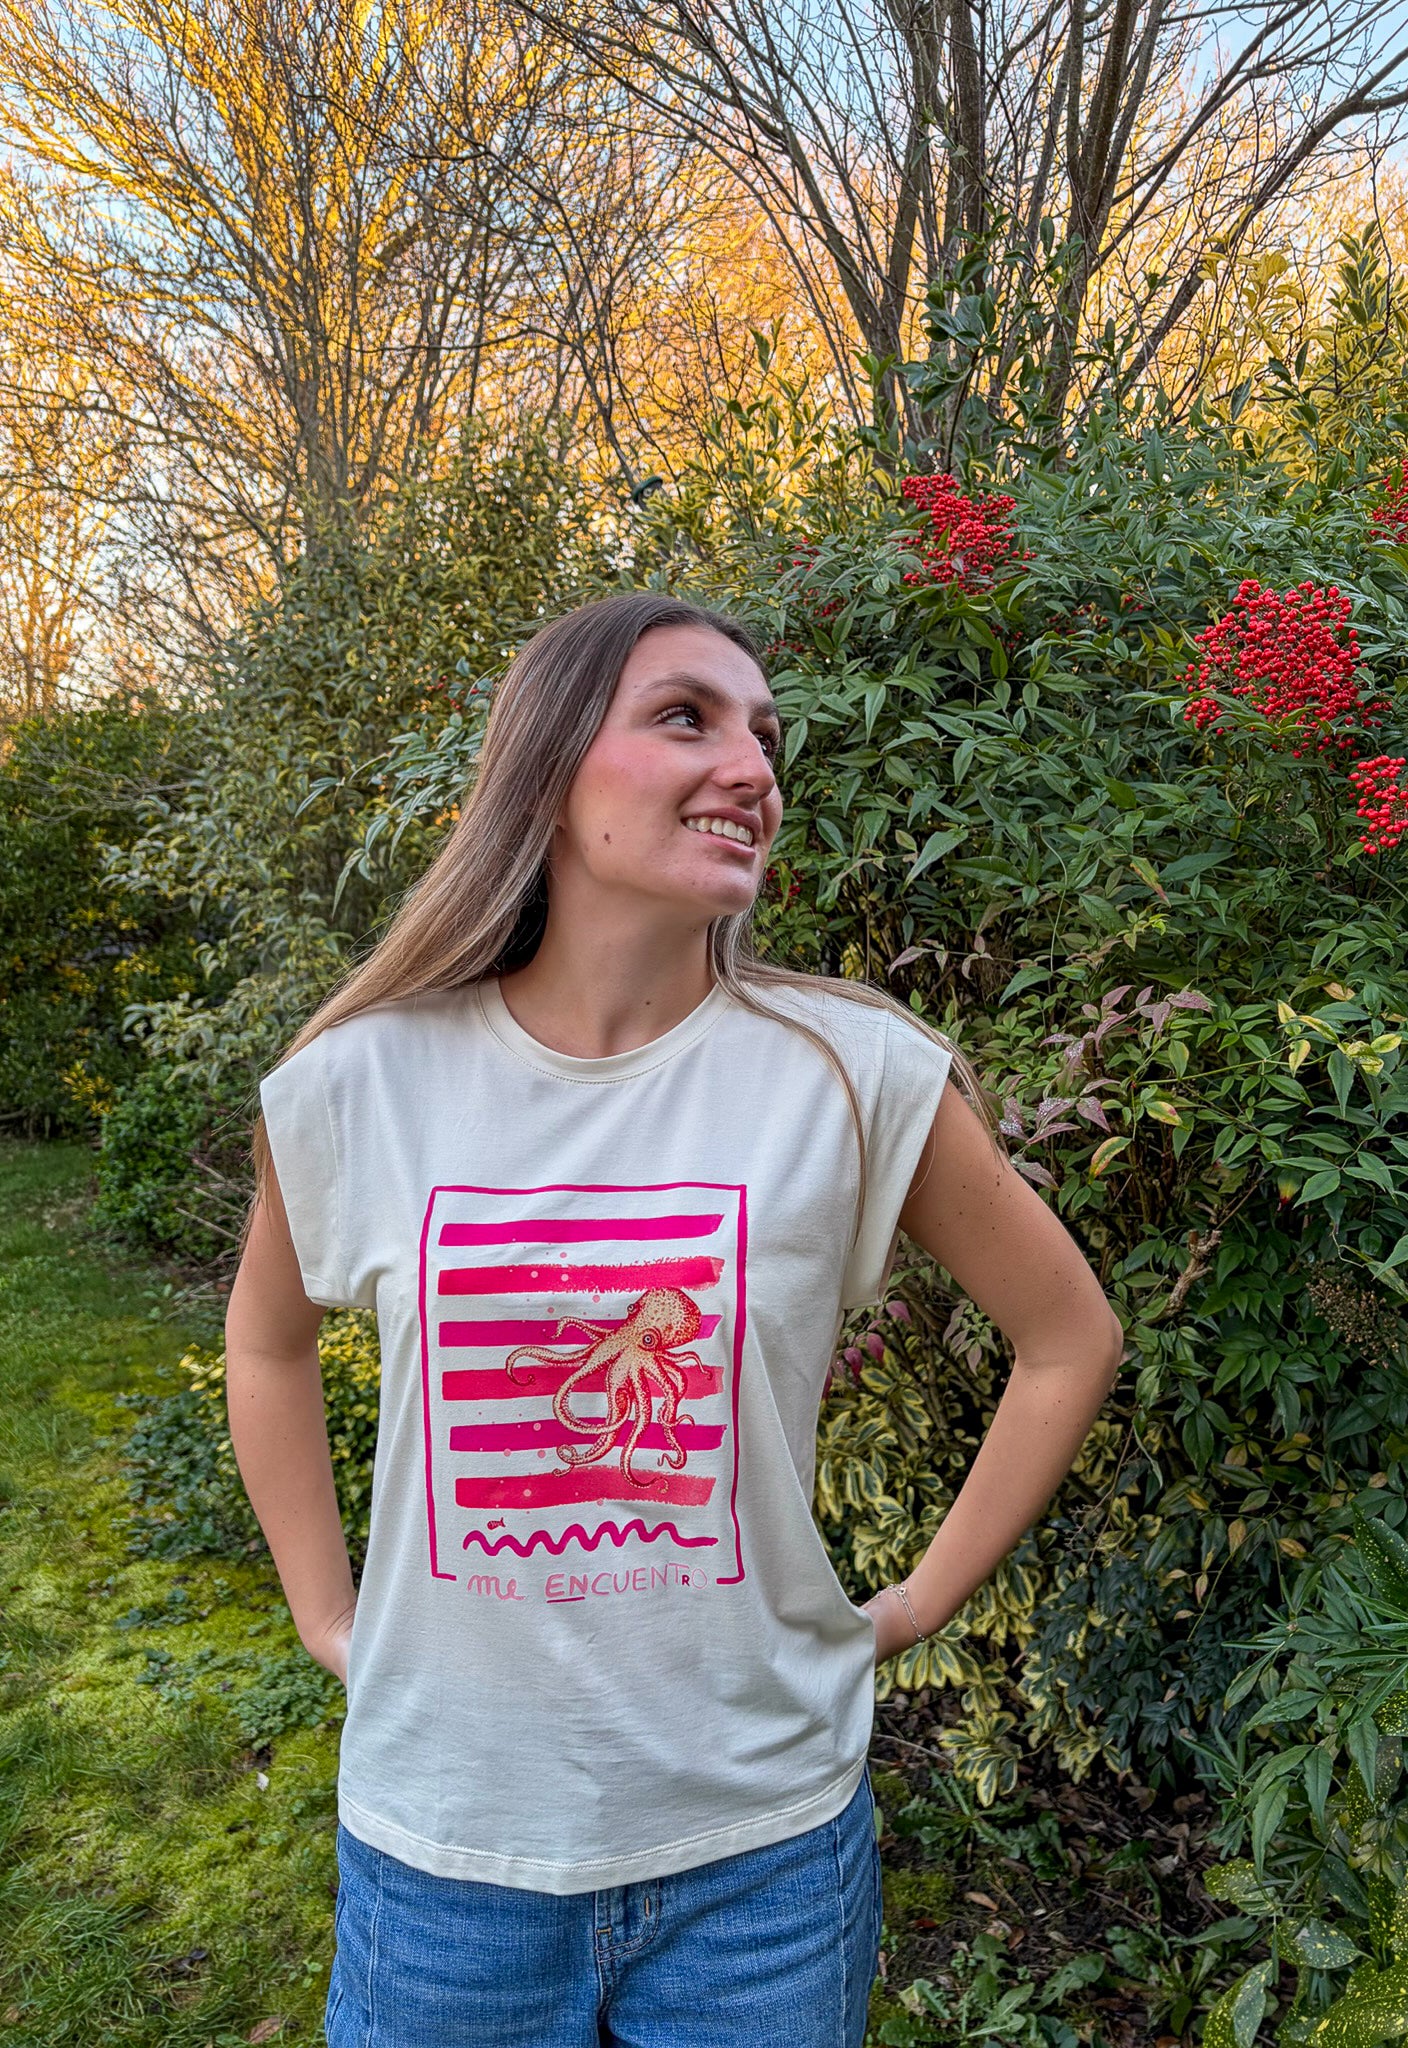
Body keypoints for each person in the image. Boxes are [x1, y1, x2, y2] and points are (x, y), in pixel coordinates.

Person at [225, 589, 1125, 2048]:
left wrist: (913, 1607)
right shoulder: (361, 1082)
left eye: (765, 735)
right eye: (686, 718)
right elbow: (266, 1344)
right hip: (449, 1852)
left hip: (761, 1859)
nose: (752, 767)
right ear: (547, 769)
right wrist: (328, 1616)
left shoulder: (850, 1075)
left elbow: (1069, 1338)